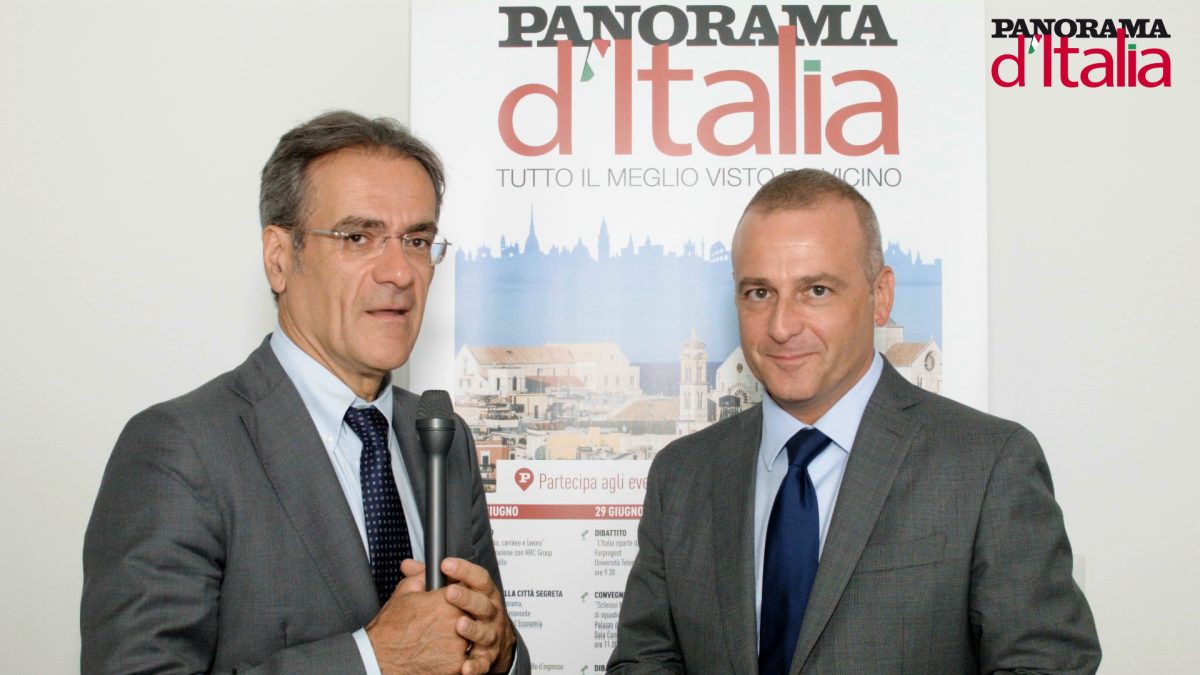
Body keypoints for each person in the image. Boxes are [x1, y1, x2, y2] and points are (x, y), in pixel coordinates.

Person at [82, 111, 529, 675]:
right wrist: (372, 660)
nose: (399, 272)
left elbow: (481, 641)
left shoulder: (440, 436)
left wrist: (499, 651)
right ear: (279, 258)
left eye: (417, 240)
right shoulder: (181, 449)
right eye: (358, 237)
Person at [608, 169, 1100, 673]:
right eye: (759, 293)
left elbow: (1046, 663)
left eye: (816, 290)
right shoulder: (683, 474)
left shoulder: (987, 464)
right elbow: (644, 661)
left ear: (880, 296)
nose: (781, 326)